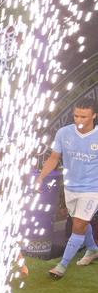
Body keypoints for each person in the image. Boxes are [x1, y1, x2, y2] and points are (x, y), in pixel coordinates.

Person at [36, 99, 98, 277]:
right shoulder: (64, 133)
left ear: (94, 115)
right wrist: (41, 177)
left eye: (84, 116)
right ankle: (93, 249)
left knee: (78, 224)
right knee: (81, 223)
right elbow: (54, 158)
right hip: (70, 187)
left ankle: (61, 266)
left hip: (92, 189)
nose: (79, 119)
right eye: (76, 115)